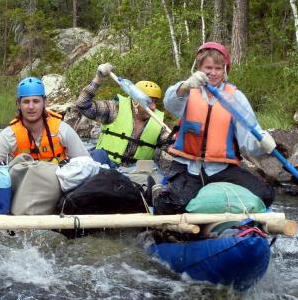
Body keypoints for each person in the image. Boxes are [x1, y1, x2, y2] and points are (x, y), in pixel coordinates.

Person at [153, 42, 276, 214]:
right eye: (208, 67)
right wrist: (186, 86)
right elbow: (170, 103)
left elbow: (248, 136)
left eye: (218, 68)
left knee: (266, 194)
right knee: (167, 207)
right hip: (188, 167)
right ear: (199, 68)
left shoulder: (236, 98)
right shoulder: (188, 90)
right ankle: (157, 190)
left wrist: (262, 142)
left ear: (225, 70)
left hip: (221, 169)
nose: (212, 72)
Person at [0, 76, 90, 183]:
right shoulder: (9, 135)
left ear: (44, 102)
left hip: (58, 185)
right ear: (18, 104)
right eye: (26, 102)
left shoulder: (62, 130)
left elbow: (86, 163)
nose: (31, 107)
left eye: (36, 101)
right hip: (24, 189)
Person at [75, 62, 166, 168]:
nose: (153, 107)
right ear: (136, 101)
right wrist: (98, 78)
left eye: (155, 102)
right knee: (97, 155)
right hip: (107, 164)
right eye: (149, 102)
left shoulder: (159, 123)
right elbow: (83, 105)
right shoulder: (114, 108)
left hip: (136, 171)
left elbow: (170, 145)